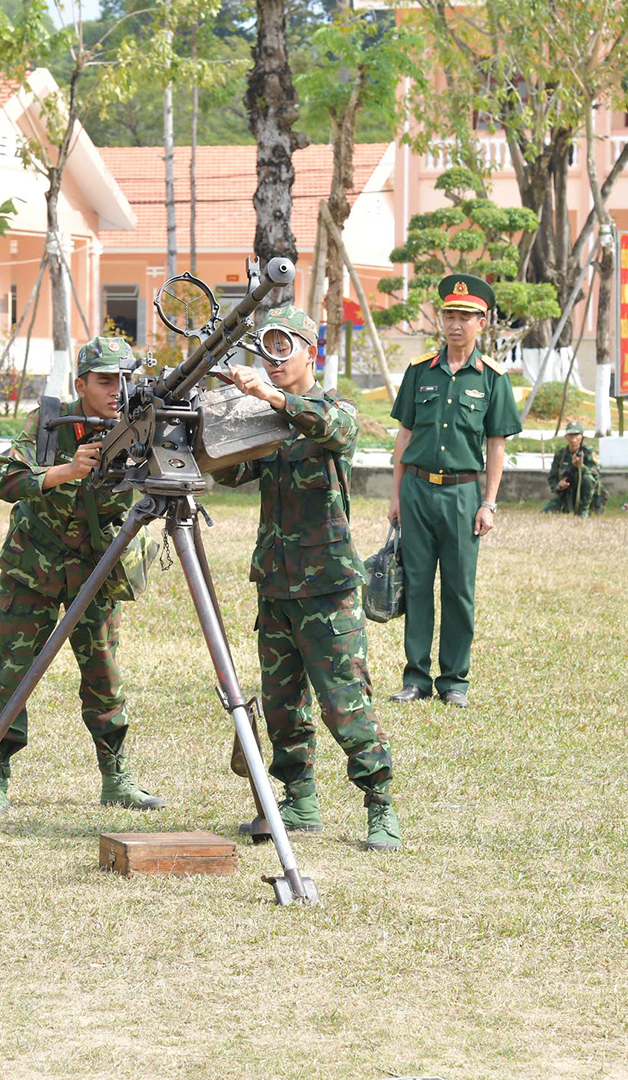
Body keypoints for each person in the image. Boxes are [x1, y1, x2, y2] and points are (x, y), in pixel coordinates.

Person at [212, 305, 400, 852]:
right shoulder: (267, 421)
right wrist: (215, 417)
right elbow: (231, 469)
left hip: (327, 586)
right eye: (264, 349)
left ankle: (379, 803)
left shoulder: (329, 408)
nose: (271, 361)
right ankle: (299, 800)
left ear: (309, 353)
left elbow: (336, 430)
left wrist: (270, 399)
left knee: (345, 700)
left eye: (282, 348)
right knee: (282, 701)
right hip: (275, 582)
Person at [0, 336, 165, 815]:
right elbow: (5, 479)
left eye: (124, 379)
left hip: (96, 571)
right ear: (81, 384)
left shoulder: (142, 427)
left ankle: (116, 778)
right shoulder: (50, 424)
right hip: (32, 568)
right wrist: (66, 471)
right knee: (13, 675)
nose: (117, 390)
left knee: (103, 675)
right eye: (104, 381)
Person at [387, 273, 521, 708]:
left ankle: (455, 682)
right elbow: (403, 438)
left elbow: (495, 446)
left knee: (460, 591)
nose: (455, 323)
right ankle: (416, 678)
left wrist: (489, 503)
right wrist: (395, 496)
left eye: (466, 316)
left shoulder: (493, 379)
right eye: (449, 314)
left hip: (464, 496)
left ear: (483, 323)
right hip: (418, 491)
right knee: (419, 585)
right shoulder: (418, 373)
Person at [542, 422, 605, 516]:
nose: (573, 439)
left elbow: (595, 474)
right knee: (546, 513)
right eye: (570, 435)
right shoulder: (560, 455)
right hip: (567, 494)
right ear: (566, 437)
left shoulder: (588, 452)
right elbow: (552, 476)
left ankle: (584, 511)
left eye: (576, 435)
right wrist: (558, 485)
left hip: (587, 495)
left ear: (582, 437)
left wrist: (580, 466)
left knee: (587, 478)